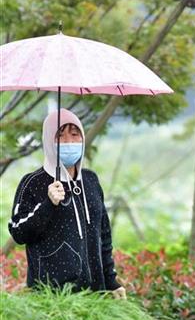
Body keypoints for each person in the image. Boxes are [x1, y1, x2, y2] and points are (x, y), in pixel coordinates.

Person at [8, 108, 126, 299]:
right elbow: (18, 232)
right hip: (50, 297)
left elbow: (103, 236)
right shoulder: (33, 183)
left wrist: (111, 281)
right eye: (60, 136)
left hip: (95, 294)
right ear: (48, 141)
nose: (69, 142)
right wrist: (48, 204)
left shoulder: (90, 180)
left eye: (74, 135)